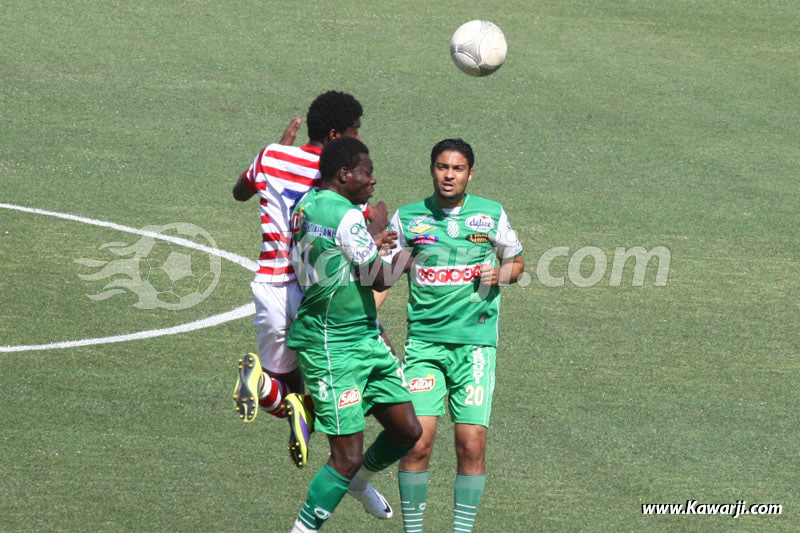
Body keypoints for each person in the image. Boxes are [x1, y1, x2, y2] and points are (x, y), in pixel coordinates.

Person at [231, 91, 393, 474]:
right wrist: (377, 231)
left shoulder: (271, 157)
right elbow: (354, 242)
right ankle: (295, 405)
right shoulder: (341, 178)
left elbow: (240, 192)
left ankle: (262, 383)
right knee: (348, 372)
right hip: (317, 292)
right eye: (354, 133)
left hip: (270, 286)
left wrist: (276, 150)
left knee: (290, 389)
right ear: (337, 135)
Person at [383, 139, 525, 533]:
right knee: (416, 443)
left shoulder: (489, 214)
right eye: (442, 167)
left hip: (475, 347)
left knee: (471, 444)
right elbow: (384, 277)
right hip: (424, 347)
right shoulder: (408, 218)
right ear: (432, 169)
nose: (449, 175)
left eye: (457, 169)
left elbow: (517, 262)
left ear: (470, 174)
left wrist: (502, 274)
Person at [287, 137, 422, 532]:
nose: (373, 180)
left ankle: (359, 484)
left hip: (364, 336)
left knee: (407, 430)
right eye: (366, 172)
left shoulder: (308, 205)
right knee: (344, 457)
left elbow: (336, 257)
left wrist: (370, 237)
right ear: (344, 174)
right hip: (333, 344)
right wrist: (408, 252)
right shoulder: (346, 216)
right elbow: (377, 276)